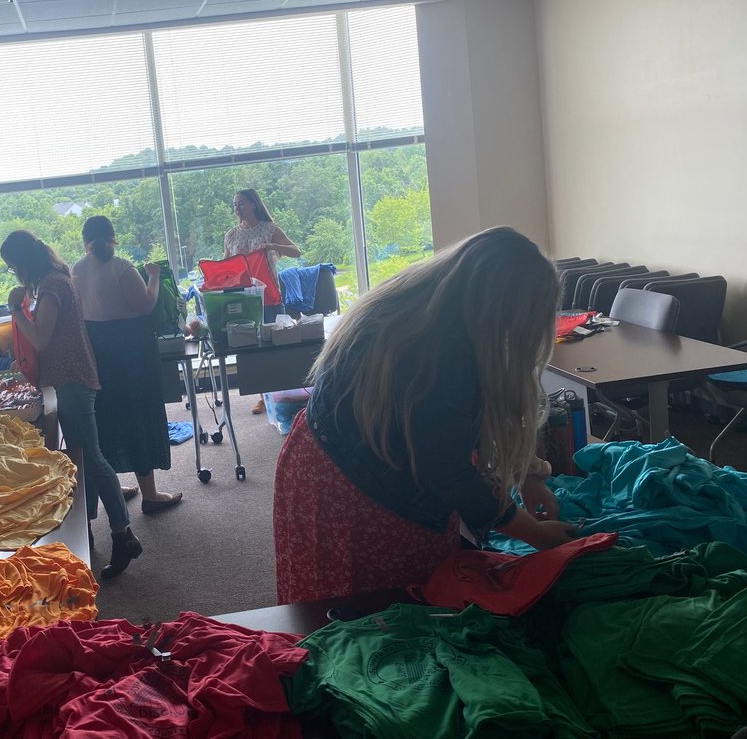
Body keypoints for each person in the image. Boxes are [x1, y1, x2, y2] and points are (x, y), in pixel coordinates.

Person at [272, 226, 578, 606]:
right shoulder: (440, 354)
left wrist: (528, 476)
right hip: (355, 494)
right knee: (371, 615)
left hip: (323, 461)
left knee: (349, 615)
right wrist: (534, 533)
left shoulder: (422, 305)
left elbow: (465, 422)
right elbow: (448, 470)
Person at [0, 229, 142, 579]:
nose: (12, 274)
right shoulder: (58, 279)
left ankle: (124, 533)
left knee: (91, 459)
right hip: (72, 376)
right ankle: (91, 529)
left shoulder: (50, 286)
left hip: (71, 379)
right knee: (81, 457)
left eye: (10, 267)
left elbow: (42, 339)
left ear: (21, 263)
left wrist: (15, 311)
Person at [72, 216, 183, 515]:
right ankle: (150, 494)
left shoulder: (77, 269)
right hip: (131, 346)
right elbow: (145, 305)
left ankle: (114, 483)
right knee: (138, 414)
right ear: (113, 237)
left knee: (108, 415)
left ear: (85, 240)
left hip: (98, 347)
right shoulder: (122, 267)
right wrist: (154, 276)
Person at [223, 188, 301, 413]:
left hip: (270, 296)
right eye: (235, 204)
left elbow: (296, 251)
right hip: (244, 299)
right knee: (252, 348)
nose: (237, 208)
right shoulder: (231, 235)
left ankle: (285, 393)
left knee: (277, 345)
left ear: (254, 204)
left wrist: (272, 247)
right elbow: (227, 265)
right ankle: (262, 396)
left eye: (241, 203)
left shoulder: (269, 229)